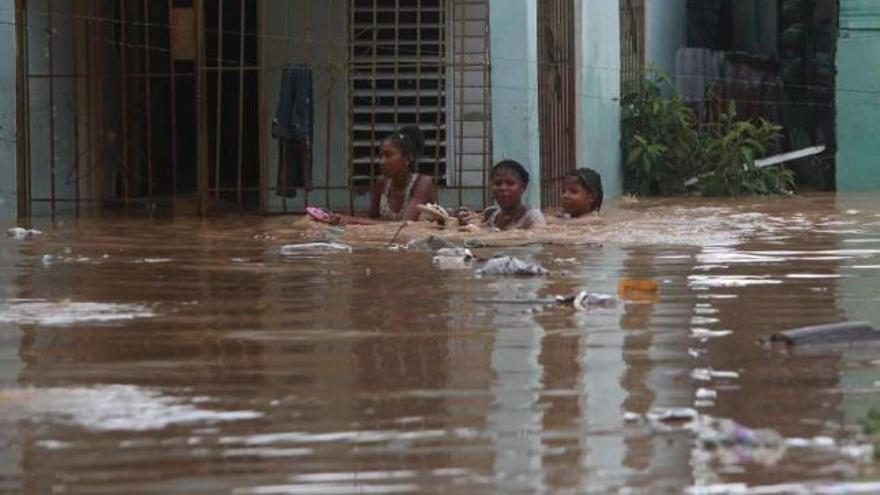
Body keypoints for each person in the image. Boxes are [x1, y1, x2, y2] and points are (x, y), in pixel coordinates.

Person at [327, 126, 434, 225]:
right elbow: (373, 219)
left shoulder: (423, 183)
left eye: (388, 155)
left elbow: (404, 226)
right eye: (381, 156)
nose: (382, 162)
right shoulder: (382, 183)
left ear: (408, 158)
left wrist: (352, 220)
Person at [458, 159, 546, 230]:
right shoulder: (495, 216)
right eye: (498, 183)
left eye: (510, 183)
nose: (503, 188)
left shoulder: (532, 217)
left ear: (523, 187)